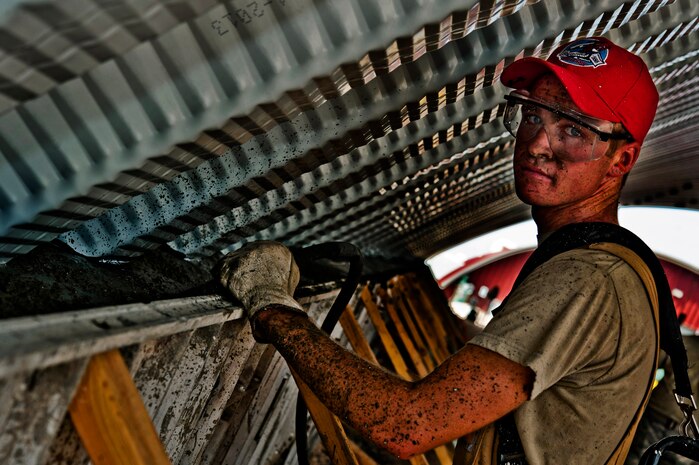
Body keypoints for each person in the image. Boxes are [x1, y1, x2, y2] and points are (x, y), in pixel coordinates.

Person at [218, 36, 660, 464]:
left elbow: (406, 425)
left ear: (622, 160)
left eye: (573, 130)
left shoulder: (588, 280)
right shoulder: (614, 268)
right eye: (533, 116)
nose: (538, 143)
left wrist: (273, 306)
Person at [624, 329, 699, 465]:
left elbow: (645, 365)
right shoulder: (682, 343)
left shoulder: (683, 343)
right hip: (663, 425)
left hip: (658, 422)